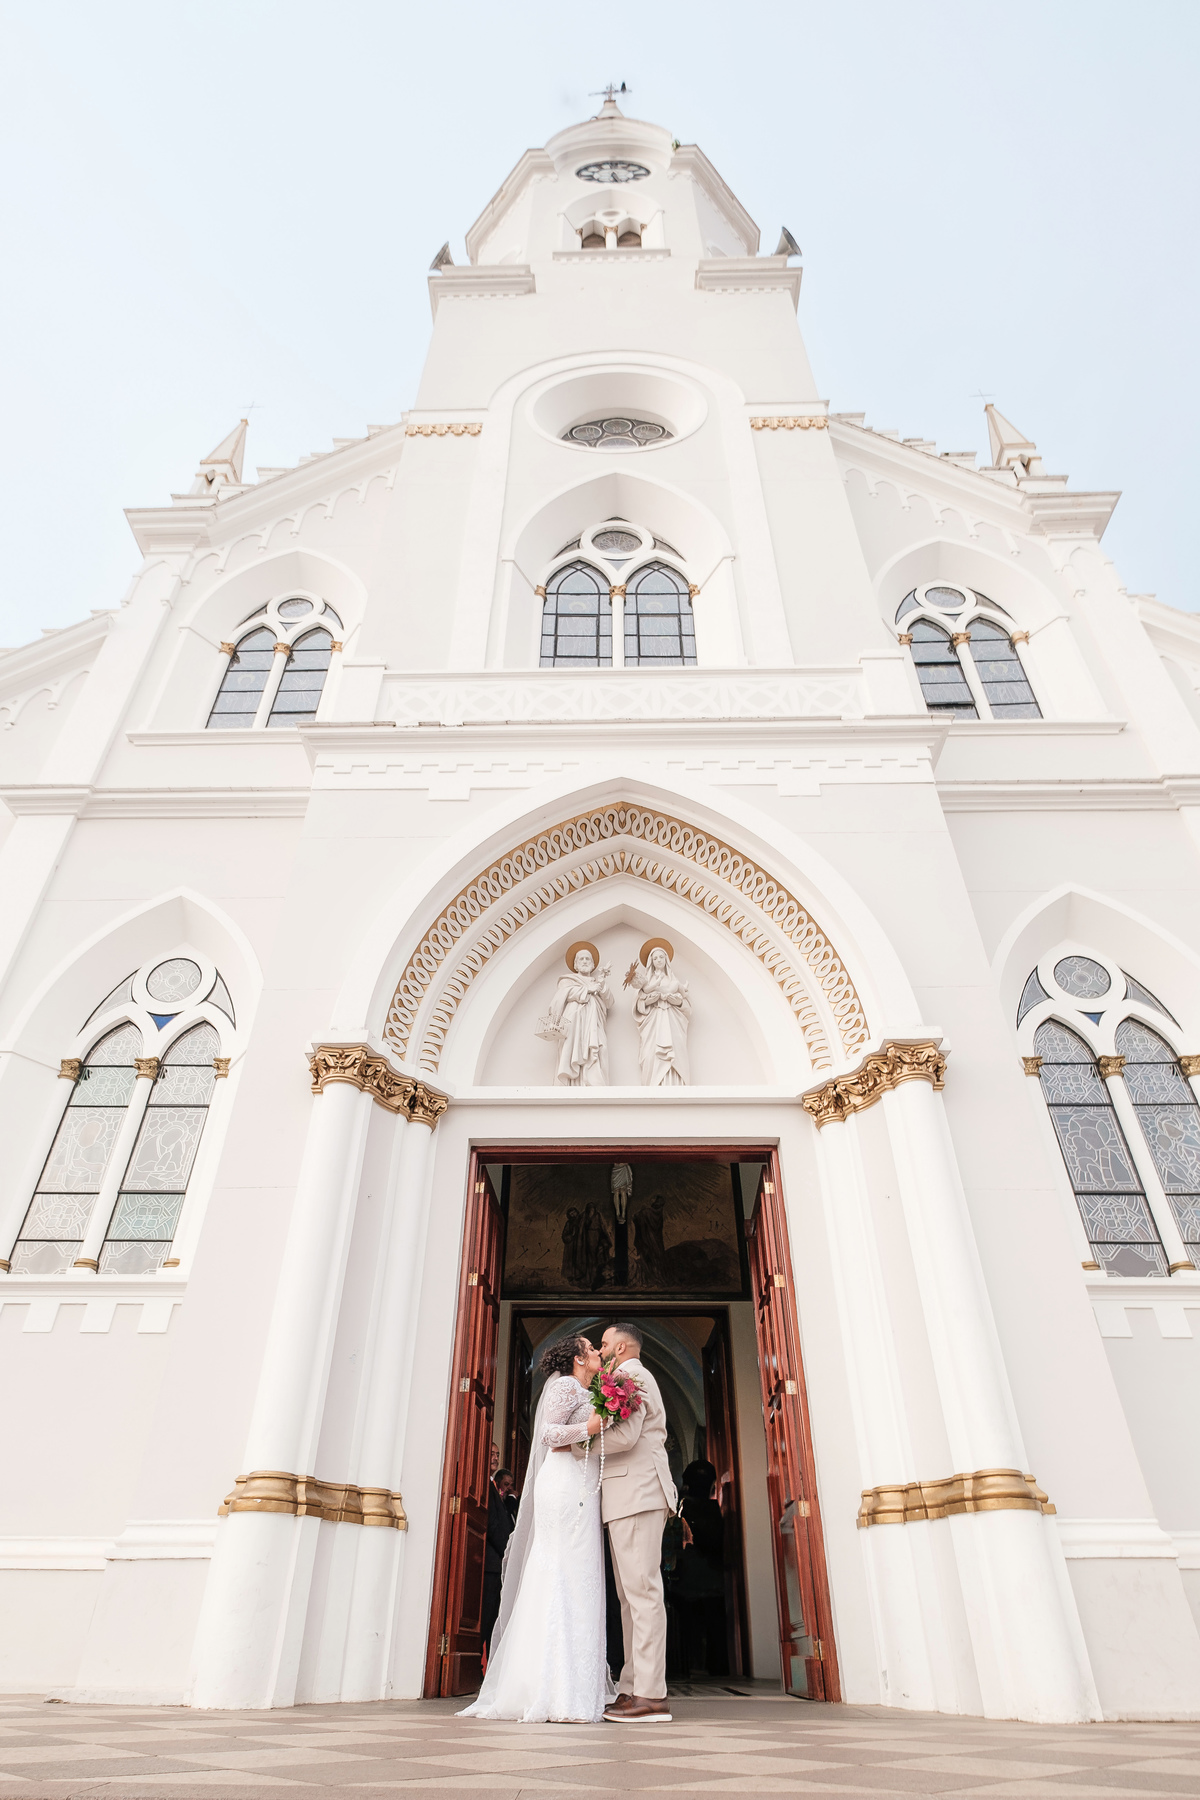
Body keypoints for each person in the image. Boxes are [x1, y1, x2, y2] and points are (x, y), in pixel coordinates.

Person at [457, 1334, 610, 1723]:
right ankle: (549, 1687)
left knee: (582, 1576)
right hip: (561, 1485)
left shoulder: (586, 1388)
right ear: (577, 1357)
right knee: (560, 1570)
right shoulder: (564, 1386)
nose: (597, 1353)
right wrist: (591, 1427)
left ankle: (576, 1686)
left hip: (583, 1486)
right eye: (591, 1348)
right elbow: (546, 1434)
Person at [591, 1321, 678, 1724]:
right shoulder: (628, 1374)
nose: (600, 1348)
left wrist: (576, 1443)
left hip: (638, 1492)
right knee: (631, 1598)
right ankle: (631, 1686)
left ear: (622, 1347)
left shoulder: (630, 1374)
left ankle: (650, 1694)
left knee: (642, 1593)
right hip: (628, 1494)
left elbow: (625, 1438)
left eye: (605, 1344)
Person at [669, 1460, 728, 1679]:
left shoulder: (685, 1507)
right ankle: (717, 1670)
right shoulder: (714, 1509)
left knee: (689, 1632)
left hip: (688, 1581)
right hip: (713, 1579)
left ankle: (687, 1669)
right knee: (714, 1630)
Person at [627, 944, 690, 1086]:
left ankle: (675, 1082)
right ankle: (653, 1082)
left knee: (674, 1050)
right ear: (651, 962)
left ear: (666, 960)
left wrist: (678, 1002)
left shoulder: (674, 981)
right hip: (653, 1023)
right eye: (655, 958)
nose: (659, 960)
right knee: (651, 1053)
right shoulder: (646, 982)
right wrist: (649, 1000)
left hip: (672, 1021)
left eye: (661, 957)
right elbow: (638, 1005)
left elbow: (687, 1007)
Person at [481, 1465, 517, 1659]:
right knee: (486, 1617)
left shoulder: (501, 1495)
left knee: (494, 1616)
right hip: (492, 1562)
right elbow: (494, 1525)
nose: (509, 1487)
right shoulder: (487, 1488)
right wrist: (508, 1552)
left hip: (497, 1565)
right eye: (507, 1483)